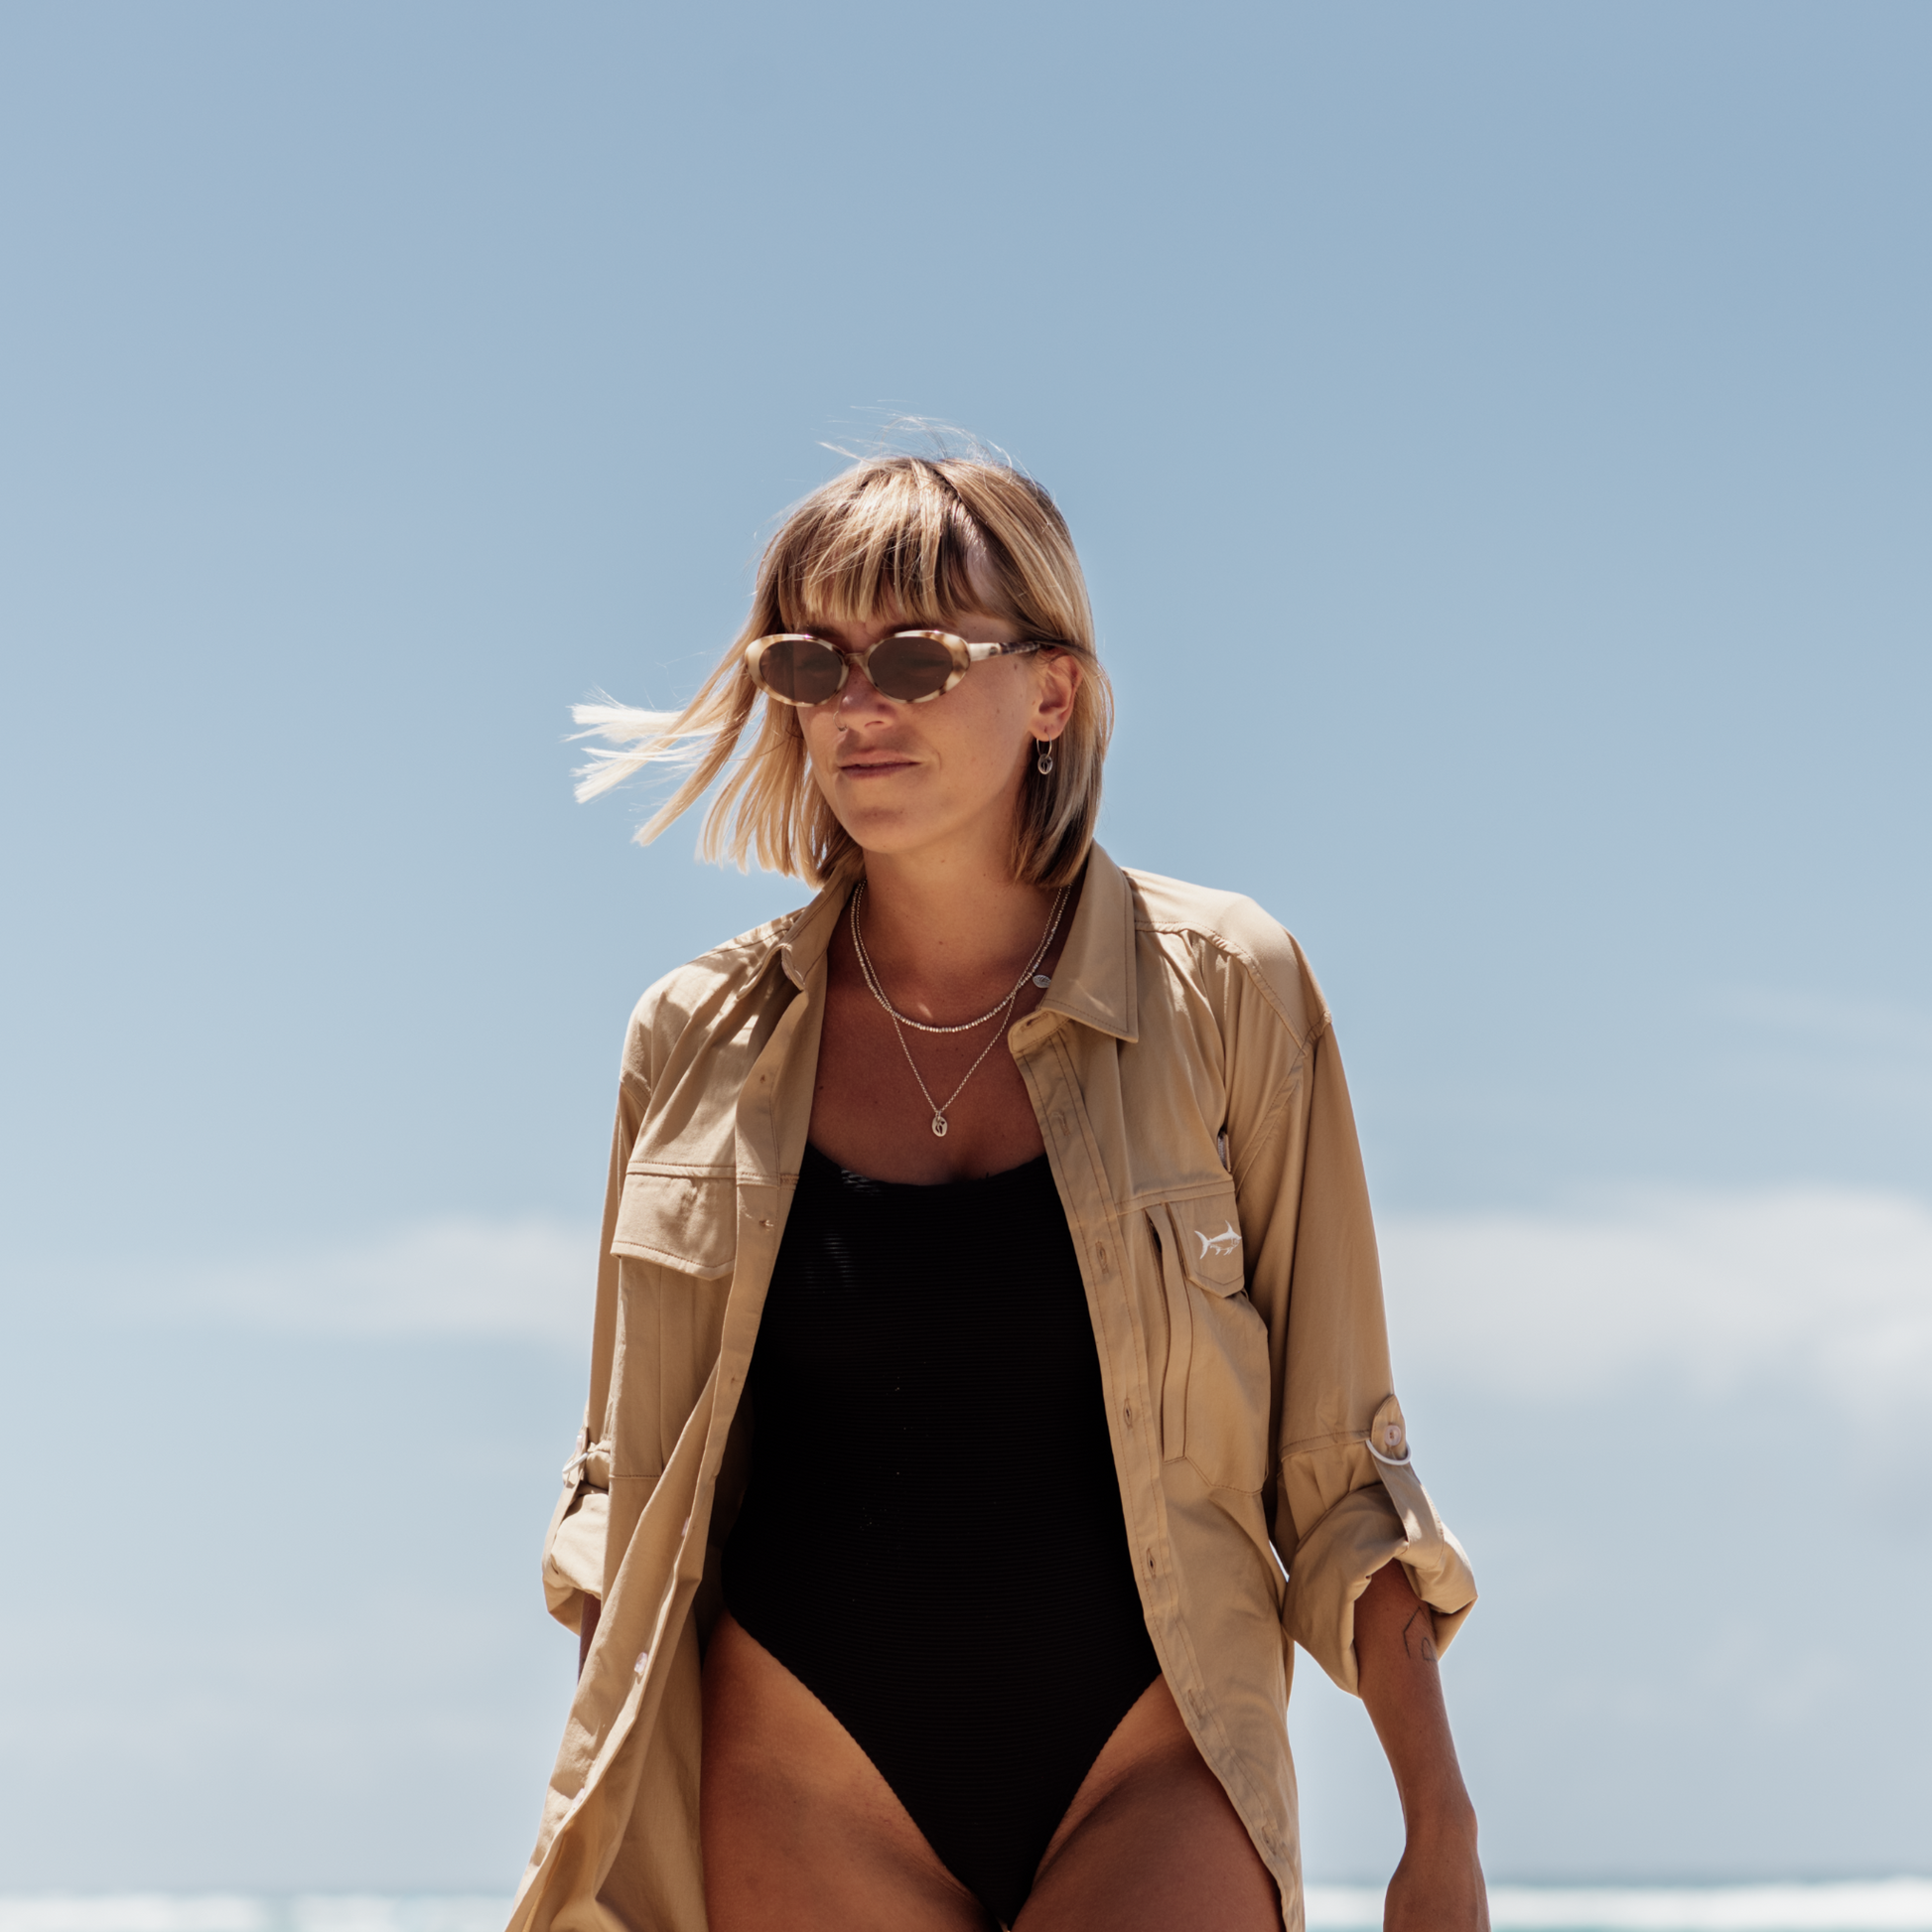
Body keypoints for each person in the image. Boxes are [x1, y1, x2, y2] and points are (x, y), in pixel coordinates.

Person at [506, 450, 1485, 1932]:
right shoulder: (690, 1039)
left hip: (1148, 1761)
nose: (856, 702)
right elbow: (623, 1493)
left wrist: (1440, 1829)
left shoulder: (1227, 991)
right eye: (807, 658)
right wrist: (595, 1845)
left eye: (912, 654)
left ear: (1053, 691)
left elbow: (1339, 1460)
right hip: (802, 1766)